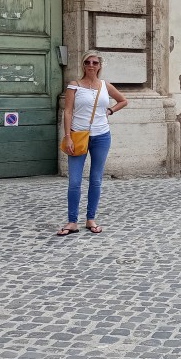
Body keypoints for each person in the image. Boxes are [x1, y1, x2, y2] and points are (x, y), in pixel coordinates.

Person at [57, 51, 128, 235]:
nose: (91, 65)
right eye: (87, 62)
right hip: (78, 135)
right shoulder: (75, 86)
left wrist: (110, 111)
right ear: (83, 65)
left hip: (101, 136)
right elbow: (68, 112)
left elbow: (123, 100)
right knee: (74, 181)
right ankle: (72, 221)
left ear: (99, 66)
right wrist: (68, 136)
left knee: (95, 180)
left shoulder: (105, 86)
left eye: (95, 62)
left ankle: (90, 219)